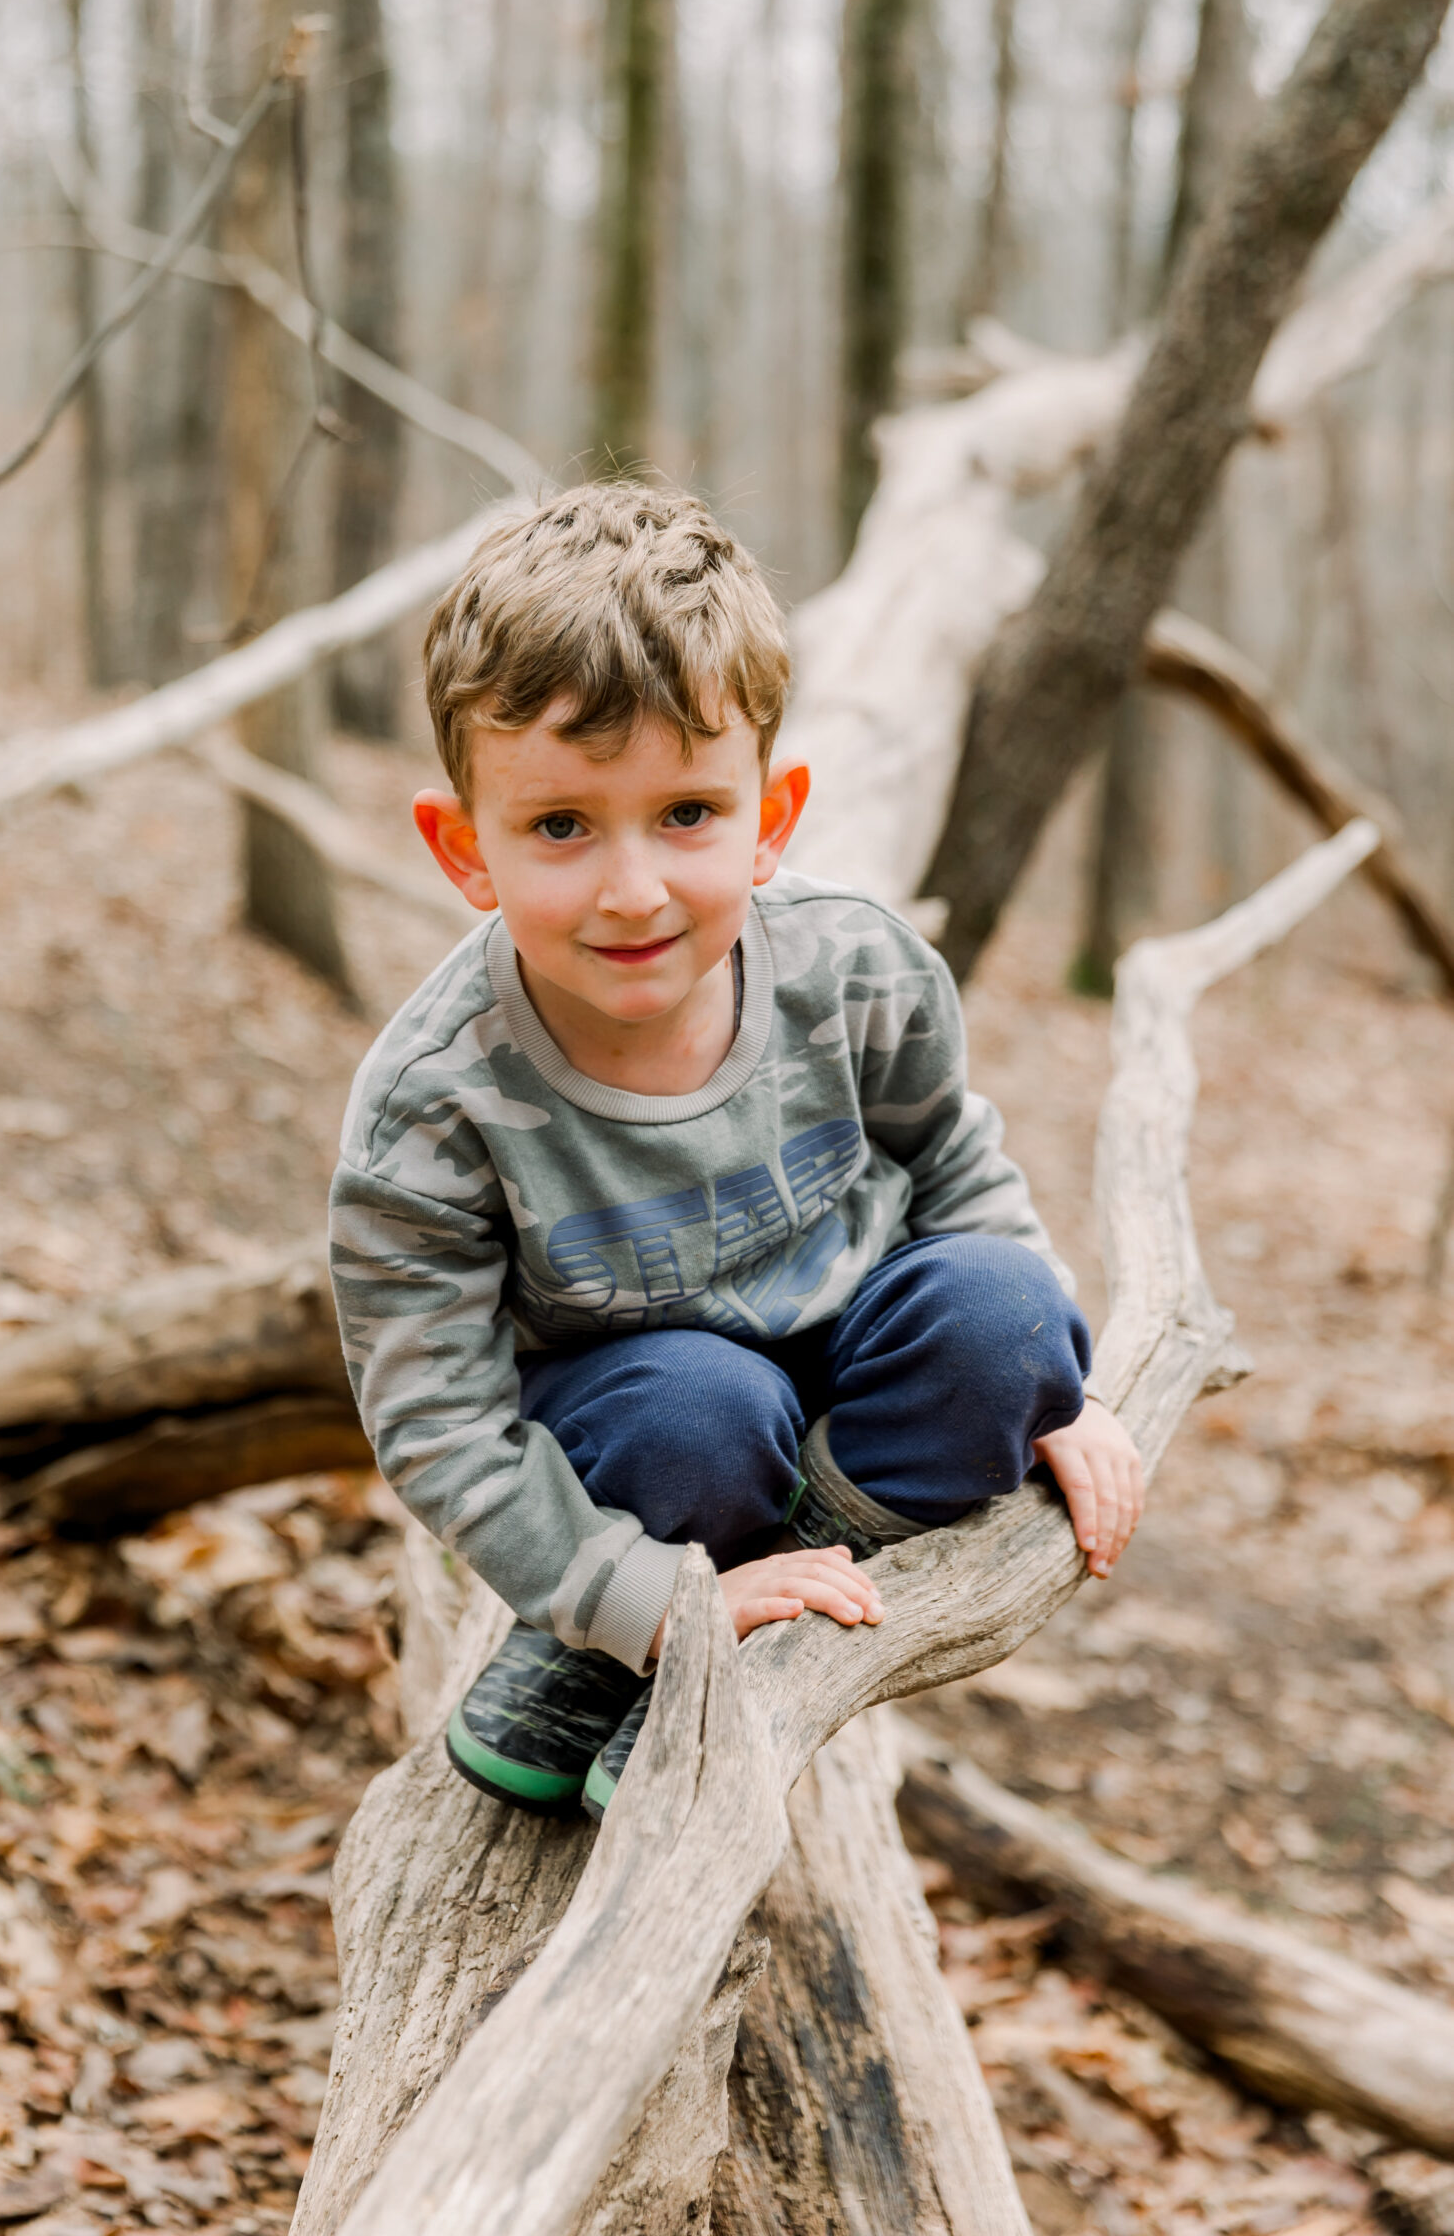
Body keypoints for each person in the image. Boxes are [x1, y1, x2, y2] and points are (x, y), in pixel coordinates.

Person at [328, 484, 1143, 1820]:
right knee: (704, 1409)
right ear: (463, 846)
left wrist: (1069, 1393)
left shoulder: (858, 972)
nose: (634, 887)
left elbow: (953, 1164)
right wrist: (639, 1593)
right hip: (640, 1437)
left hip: (848, 1379)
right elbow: (437, 1418)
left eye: (689, 814)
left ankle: (793, 1587)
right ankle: (620, 1648)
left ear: (772, 815)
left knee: (1012, 1317)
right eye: (561, 827)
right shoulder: (435, 1105)